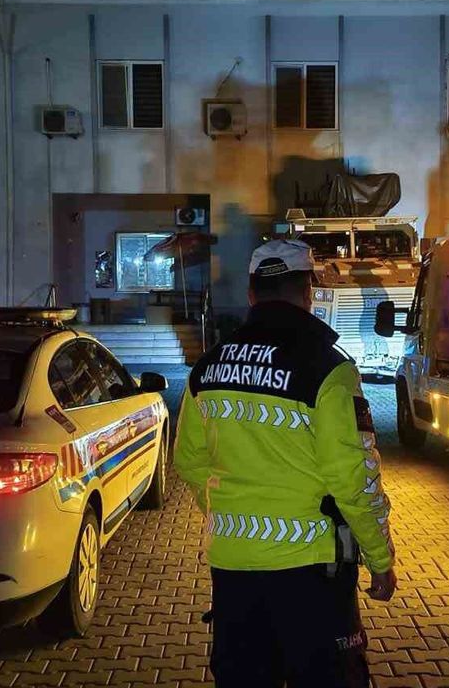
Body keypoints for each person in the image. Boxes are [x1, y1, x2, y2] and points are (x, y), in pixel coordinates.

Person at [175, 239, 397, 688]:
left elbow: (188, 460)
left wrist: (230, 512)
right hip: (311, 573)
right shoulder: (328, 368)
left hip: (233, 570)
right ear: (309, 291)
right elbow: (353, 478)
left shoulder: (208, 368)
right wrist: (380, 557)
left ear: (251, 294)